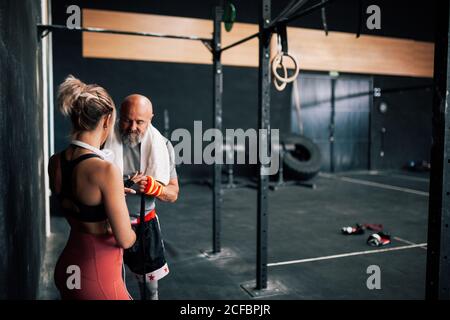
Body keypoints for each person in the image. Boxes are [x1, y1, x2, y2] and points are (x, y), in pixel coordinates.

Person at [48, 75, 136, 300]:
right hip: (97, 276)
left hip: (69, 267)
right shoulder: (105, 170)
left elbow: (78, 200)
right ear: (106, 120)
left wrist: (111, 195)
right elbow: (126, 239)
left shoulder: (55, 161)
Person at [104, 94, 179, 300]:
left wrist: (157, 189)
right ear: (119, 116)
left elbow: (173, 193)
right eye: (128, 120)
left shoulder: (163, 146)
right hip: (107, 225)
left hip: (144, 226)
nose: (132, 127)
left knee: (150, 291)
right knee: (109, 289)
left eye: (140, 122)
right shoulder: (103, 140)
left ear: (151, 119)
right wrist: (115, 187)